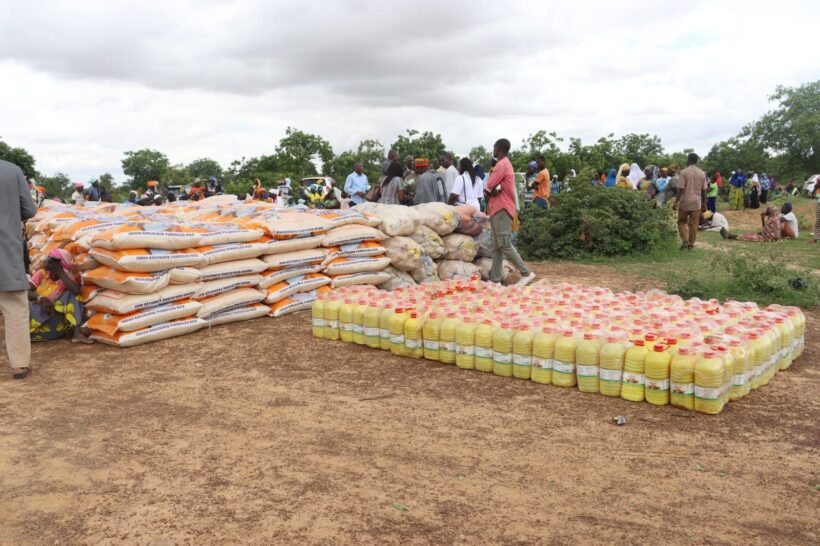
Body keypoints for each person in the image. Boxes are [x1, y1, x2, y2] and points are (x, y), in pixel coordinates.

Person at [1, 159, 38, 378]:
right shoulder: (12, 171)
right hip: (5, 250)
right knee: (14, 307)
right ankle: (19, 364)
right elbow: (29, 209)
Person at [484, 138, 535, 286]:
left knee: (504, 244)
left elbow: (488, 187)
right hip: (497, 209)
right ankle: (495, 279)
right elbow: (491, 189)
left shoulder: (502, 164)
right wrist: (491, 192)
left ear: (499, 149)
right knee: (496, 246)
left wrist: (490, 191)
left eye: (494, 148)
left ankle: (526, 272)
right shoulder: (506, 164)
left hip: (502, 208)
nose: (493, 150)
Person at [28, 249, 92, 344]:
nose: (46, 262)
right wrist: (41, 298)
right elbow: (25, 291)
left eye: (51, 260)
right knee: (22, 301)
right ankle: (27, 333)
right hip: (36, 318)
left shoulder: (66, 278)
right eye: (48, 258)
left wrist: (59, 271)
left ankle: (77, 333)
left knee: (72, 295)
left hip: (54, 323)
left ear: (60, 264)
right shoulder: (42, 273)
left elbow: (77, 292)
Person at [672, 153, 708, 250]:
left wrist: (676, 201)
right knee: (694, 224)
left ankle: (684, 240)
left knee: (681, 222)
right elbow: (704, 190)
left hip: (684, 202)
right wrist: (704, 202)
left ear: (688, 160)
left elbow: (680, 189)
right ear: (697, 161)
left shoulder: (684, 172)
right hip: (696, 202)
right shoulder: (702, 173)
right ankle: (691, 244)